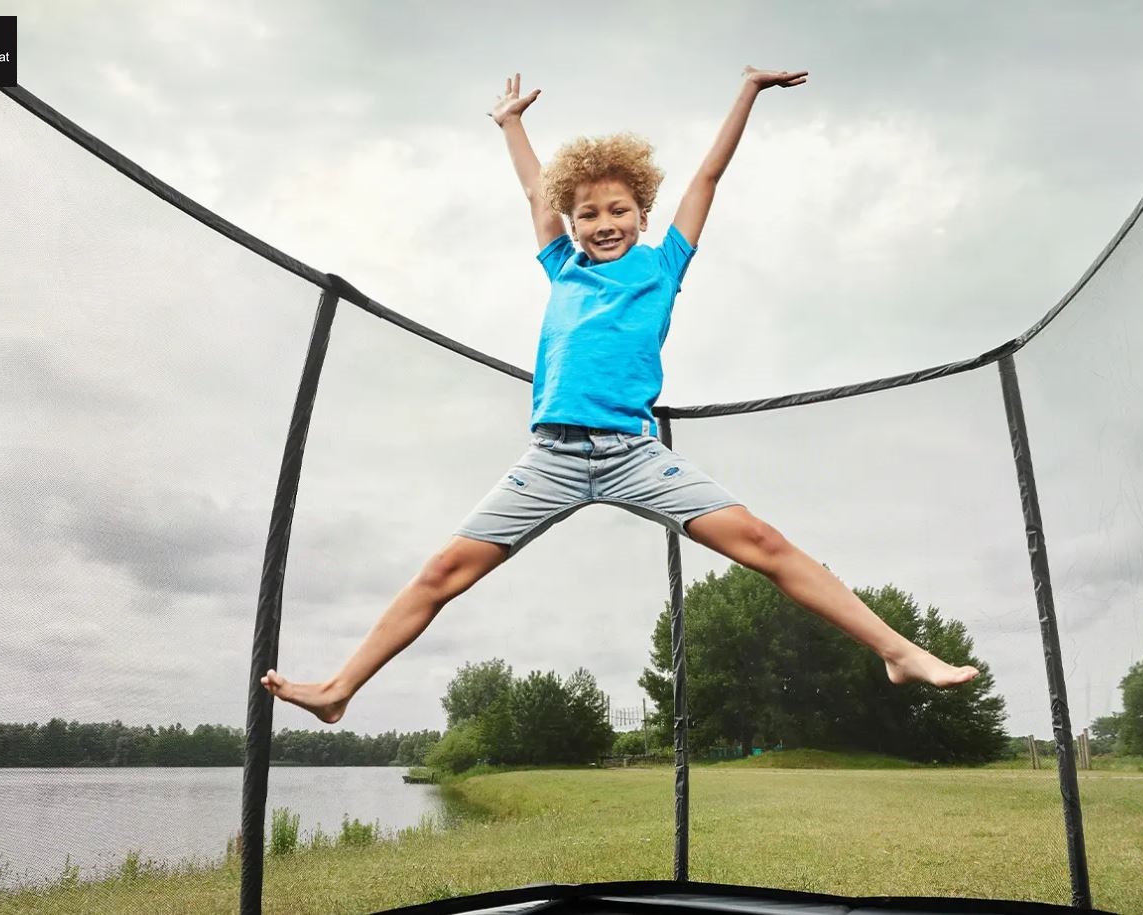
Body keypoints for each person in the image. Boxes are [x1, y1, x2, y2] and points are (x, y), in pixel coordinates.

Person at [263, 69, 979, 724]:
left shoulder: (664, 265)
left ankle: (898, 651)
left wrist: (747, 91)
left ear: (642, 214)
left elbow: (708, 176)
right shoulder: (562, 265)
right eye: (587, 214)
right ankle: (339, 689)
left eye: (618, 210)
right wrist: (510, 123)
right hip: (552, 456)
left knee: (764, 543)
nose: (603, 223)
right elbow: (534, 192)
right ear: (571, 222)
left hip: (633, 454)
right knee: (442, 573)